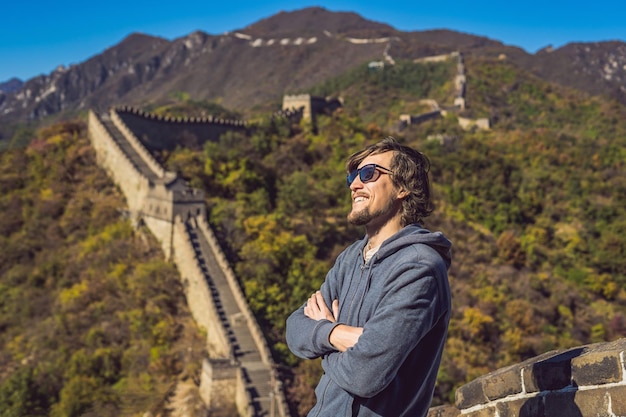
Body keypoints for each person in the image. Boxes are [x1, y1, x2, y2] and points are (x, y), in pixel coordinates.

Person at [286, 136, 452, 417]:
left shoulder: (419, 268)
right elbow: (293, 329)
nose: (354, 184)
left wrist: (322, 341)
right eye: (353, 176)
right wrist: (337, 334)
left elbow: (365, 375)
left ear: (402, 187)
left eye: (368, 174)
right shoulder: (351, 259)